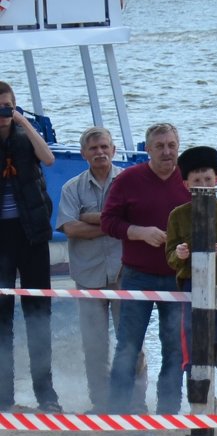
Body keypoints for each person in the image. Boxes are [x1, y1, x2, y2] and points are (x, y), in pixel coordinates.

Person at [101, 123, 191, 413]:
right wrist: (138, 232)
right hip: (137, 274)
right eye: (160, 146)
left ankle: (169, 412)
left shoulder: (189, 180)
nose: (167, 152)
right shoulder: (128, 179)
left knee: (174, 349)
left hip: (178, 277)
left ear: (178, 146)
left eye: (171, 145)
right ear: (147, 149)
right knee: (128, 346)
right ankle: (118, 412)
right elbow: (108, 221)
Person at [57, 126, 147, 411]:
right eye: (93, 149)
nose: (100, 153)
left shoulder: (130, 181)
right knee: (94, 348)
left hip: (126, 272)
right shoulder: (71, 188)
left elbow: (138, 220)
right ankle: (102, 405)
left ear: (114, 149)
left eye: (104, 147)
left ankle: (136, 404)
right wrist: (114, 225)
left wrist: (93, 218)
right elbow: (70, 228)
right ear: (84, 153)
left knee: (132, 344)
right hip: (88, 274)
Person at [166, 146, 217, 413]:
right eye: (196, 180)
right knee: (193, 356)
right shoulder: (178, 215)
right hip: (192, 291)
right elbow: (170, 255)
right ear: (185, 184)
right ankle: (199, 413)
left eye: (207, 178)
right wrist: (179, 254)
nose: (202, 184)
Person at [0, 81, 58, 413]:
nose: (2, 115)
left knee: (39, 315)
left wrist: (23, 122)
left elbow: (48, 158)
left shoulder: (25, 135)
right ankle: (3, 397)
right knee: (1, 322)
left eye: (7, 107)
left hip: (31, 236)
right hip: (1, 239)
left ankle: (45, 394)